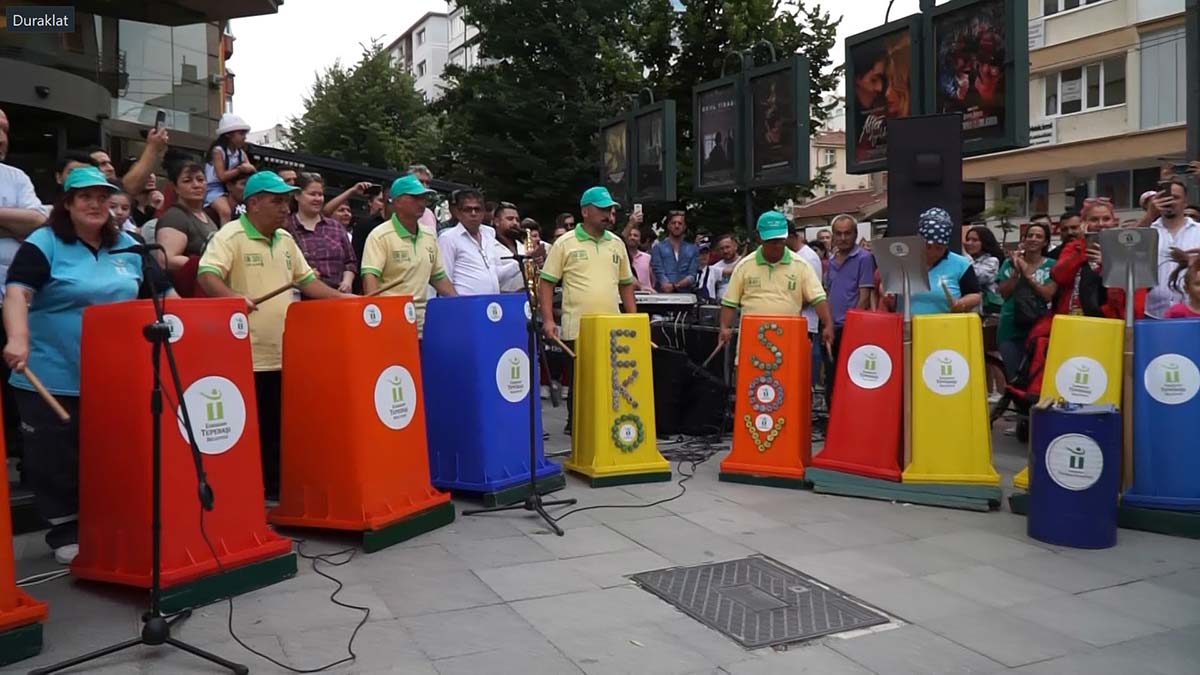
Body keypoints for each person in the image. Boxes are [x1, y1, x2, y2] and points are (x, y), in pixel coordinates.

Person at [4, 166, 175, 563]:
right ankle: (65, 528)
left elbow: (165, 294)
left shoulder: (130, 245)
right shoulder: (43, 243)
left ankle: (113, 522)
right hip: (52, 371)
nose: (96, 204)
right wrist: (17, 337)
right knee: (56, 457)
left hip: (115, 374)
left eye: (102, 197)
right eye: (86, 197)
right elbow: (16, 293)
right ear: (67, 203)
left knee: (111, 454)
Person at [198, 171, 347, 499]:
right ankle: (256, 493)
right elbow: (208, 275)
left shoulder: (285, 239)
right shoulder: (231, 235)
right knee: (258, 428)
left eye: (286, 201)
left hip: (285, 351)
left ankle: (279, 490)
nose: (285, 208)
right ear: (253, 203)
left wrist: (345, 300)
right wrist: (232, 298)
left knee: (282, 427)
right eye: (277, 201)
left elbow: (308, 282)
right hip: (248, 355)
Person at [539, 187, 637, 434]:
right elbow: (546, 282)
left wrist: (633, 319)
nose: (608, 214)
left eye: (610, 209)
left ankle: (607, 426)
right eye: (602, 209)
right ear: (585, 211)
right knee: (580, 380)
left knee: (612, 379)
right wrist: (548, 319)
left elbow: (626, 284)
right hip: (578, 327)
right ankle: (577, 427)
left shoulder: (617, 243)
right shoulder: (565, 243)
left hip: (612, 327)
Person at [0, 107, 49, 466]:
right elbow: (22, 222)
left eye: (5, 129)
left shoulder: (15, 177)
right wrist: (10, 223)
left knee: (12, 376)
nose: (2, 137)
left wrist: (19, 224)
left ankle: (17, 451)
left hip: (10, 296)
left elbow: (35, 221)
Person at [718, 211, 834, 352]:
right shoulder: (744, 266)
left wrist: (828, 325)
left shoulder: (801, 265)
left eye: (780, 240)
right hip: (752, 342)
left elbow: (818, 298)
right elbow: (730, 302)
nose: (777, 245)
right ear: (759, 238)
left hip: (788, 341)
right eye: (771, 241)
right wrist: (724, 327)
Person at [360, 174, 457, 331]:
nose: (422, 203)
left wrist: (460, 304)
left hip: (422, 323)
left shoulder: (429, 235)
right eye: (415, 198)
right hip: (391, 324)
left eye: (424, 198)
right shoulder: (380, 236)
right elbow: (370, 278)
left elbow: (438, 277)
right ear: (397, 201)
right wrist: (376, 321)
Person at [885, 207, 981, 316]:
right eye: (927, 246)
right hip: (907, 324)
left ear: (946, 245)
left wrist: (961, 303)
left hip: (944, 324)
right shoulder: (903, 260)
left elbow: (975, 294)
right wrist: (889, 297)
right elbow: (890, 293)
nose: (932, 252)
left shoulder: (961, 264)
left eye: (939, 248)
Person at [823, 214, 876, 396]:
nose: (843, 238)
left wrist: (852, 326)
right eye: (838, 233)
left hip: (851, 328)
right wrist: (827, 323)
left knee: (850, 379)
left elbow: (864, 296)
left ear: (855, 234)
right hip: (832, 327)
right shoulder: (831, 260)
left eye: (847, 233)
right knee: (831, 380)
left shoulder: (864, 258)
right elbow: (828, 293)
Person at [996, 222, 1056, 379]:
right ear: (1023, 239)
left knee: (1035, 377)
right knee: (1013, 376)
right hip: (1010, 326)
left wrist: (1028, 274)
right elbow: (1004, 293)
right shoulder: (1009, 263)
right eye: (1030, 235)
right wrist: (1016, 272)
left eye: (1039, 236)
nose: (1033, 239)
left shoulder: (1052, 265)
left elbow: (1048, 295)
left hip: (1039, 327)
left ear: (1045, 242)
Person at [155, 160, 217, 298]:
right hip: (187, 295)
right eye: (187, 181)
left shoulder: (206, 216)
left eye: (200, 180)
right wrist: (210, 265)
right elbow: (166, 259)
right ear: (175, 188)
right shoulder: (175, 217)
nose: (196, 185)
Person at [286, 173, 356, 292]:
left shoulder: (335, 226)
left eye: (320, 194)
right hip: (301, 296)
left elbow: (350, 261)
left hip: (339, 295)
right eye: (312, 194)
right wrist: (304, 276)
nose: (318, 199)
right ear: (297, 195)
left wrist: (347, 282)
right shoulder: (286, 227)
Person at [1145, 180, 1200, 319]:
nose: (1169, 201)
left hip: (1193, 314)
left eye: (1175, 197)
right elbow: (1125, 245)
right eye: (1165, 197)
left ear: (1185, 202)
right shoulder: (1147, 232)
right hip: (1153, 313)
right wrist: (1149, 215)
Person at [438, 189, 509, 296]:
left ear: (483, 212)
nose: (473, 213)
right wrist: (456, 302)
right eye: (467, 209)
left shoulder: (489, 234)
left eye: (477, 209)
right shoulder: (448, 238)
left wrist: (521, 263)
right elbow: (444, 279)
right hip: (464, 303)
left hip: (492, 302)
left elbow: (493, 274)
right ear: (458, 213)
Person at [204, 113, 254, 224]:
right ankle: (224, 234)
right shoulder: (218, 151)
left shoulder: (240, 153)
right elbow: (221, 176)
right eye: (241, 134)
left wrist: (250, 168)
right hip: (214, 188)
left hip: (233, 187)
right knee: (225, 212)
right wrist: (240, 170)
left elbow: (251, 169)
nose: (244, 137)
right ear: (228, 135)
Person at [493, 201, 540, 293]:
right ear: (496, 222)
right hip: (502, 297)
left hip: (527, 297)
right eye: (510, 219)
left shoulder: (523, 246)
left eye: (517, 220)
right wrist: (521, 262)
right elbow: (492, 277)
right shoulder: (488, 246)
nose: (515, 223)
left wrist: (538, 263)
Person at [650, 210, 699, 293]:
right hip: (663, 293)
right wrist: (665, 284)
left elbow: (692, 274)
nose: (677, 226)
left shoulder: (692, 249)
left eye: (680, 223)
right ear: (668, 225)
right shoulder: (658, 247)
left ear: (684, 226)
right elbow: (658, 270)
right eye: (673, 223)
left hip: (685, 293)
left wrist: (677, 285)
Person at [964, 225, 1004, 314]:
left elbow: (976, 278)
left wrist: (966, 258)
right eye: (968, 239)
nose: (969, 243)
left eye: (974, 240)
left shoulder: (992, 261)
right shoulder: (965, 259)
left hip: (983, 309)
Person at [702, 234, 740, 302]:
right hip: (720, 304)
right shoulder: (715, 268)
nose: (725, 251)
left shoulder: (746, 263)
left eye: (727, 247)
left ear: (735, 247)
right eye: (721, 248)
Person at [407, 164, 439, 232]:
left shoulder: (428, 214)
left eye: (427, 183)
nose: (424, 186)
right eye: (420, 181)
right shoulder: (401, 209)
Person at [625, 226, 653, 291]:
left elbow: (653, 279)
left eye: (635, 235)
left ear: (640, 239)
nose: (632, 237)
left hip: (646, 293)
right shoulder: (621, 257)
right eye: (629, 235)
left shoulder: (648, 258)